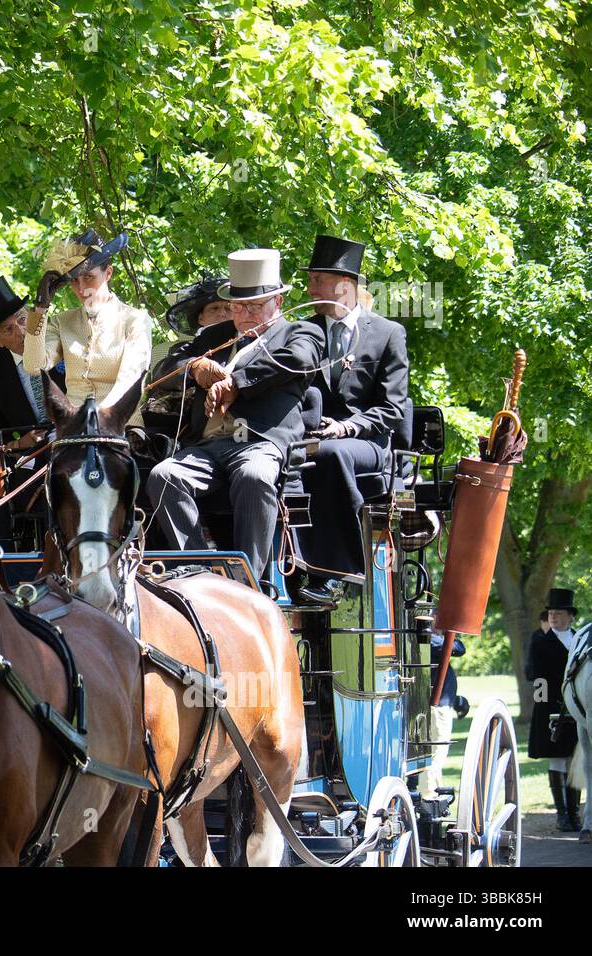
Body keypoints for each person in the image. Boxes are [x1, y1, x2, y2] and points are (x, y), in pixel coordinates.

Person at [146, 248, 324, 583]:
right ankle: (198, 571)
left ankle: (247, 582)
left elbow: (298, 360)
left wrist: (236, 384)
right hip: (209, 446)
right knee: (163, 475)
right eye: (238, 306)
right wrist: (194, 367)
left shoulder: (302, 332)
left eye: (256, 306)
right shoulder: (216, 335)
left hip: (261, 443)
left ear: (279, 303)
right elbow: (163, 367)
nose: (245, 313)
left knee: (255, 476)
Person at [294, 235, 410, 604]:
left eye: (317, 280)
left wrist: (347, 427)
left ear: (344, 286)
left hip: (368, 444)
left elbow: (393, 408)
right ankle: (280, 568)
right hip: (309, 436)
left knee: (331, 454)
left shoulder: (388, 334)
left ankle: (335, 572)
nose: (309, 287)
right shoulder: (304, 330)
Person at [23, 228, 154, 427]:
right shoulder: (61, 321)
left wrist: (96, 419)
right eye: (74, 281)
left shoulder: (135, 320)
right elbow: (33, 366)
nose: (81, 289)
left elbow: (129, 381)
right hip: (72, 430)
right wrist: (40, 308)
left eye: (89, 277)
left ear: (108, 273)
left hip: (121, 425)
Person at [0, 276, 65, 545]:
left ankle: (56, 549)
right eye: (8, 329)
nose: (21, 332)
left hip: (70, 438)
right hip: (26, 451)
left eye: (22, 320)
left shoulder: (58, 344)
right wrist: (17, 443)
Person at [526, 588, 582, 831]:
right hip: (551, 707)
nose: (553, 617)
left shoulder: (580, 640)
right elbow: (536, 676)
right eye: (551, 613)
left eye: (559, 613)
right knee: (558, 759)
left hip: (578, 708)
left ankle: (575, 814)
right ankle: (562, 815)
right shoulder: (541, 642)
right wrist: (543, 706)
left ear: (570, 617)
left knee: (575, 761)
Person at [422, 632, 466, 795]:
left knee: (435, 754)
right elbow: (458, 648)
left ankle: (430, 790)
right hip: (436, 707)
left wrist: (455, 701)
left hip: (440, 703)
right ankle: (428, 794)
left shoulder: (433, 640)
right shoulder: (431, 639)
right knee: (435, 753)